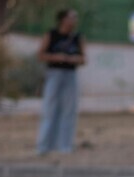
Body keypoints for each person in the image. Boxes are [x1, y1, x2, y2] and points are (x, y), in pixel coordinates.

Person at [36, 9, 86, 155]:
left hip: (70, 74)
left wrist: (72, 59)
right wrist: (56, 57)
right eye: (72, 17)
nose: (74, 20)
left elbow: (83, 58)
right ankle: (44, 146)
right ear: (63, 19)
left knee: (69, 110)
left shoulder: (78, 37)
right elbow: (40, 54)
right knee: (49, 108)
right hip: (54, 74)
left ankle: (65, 146)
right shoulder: (52, 34)